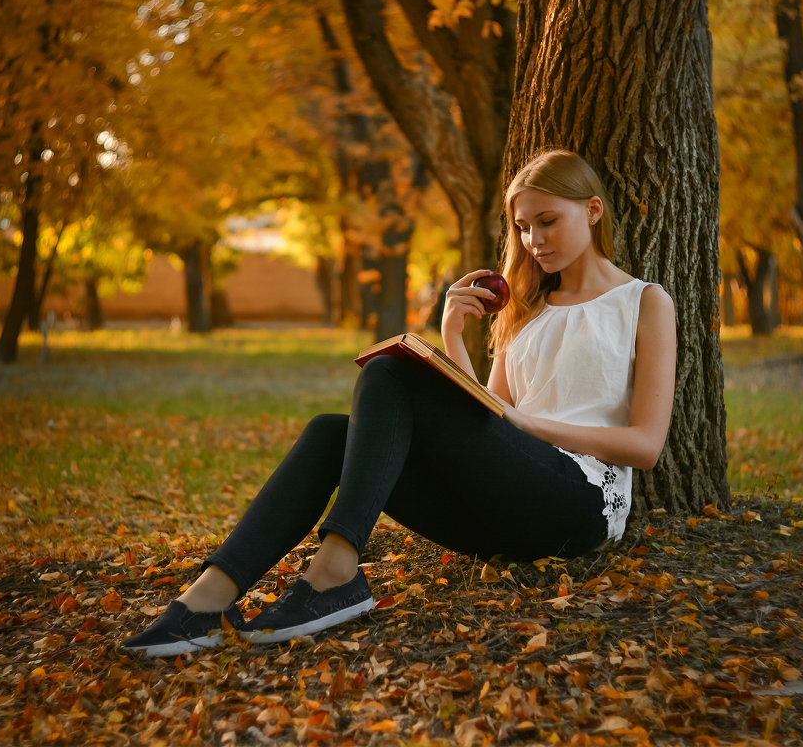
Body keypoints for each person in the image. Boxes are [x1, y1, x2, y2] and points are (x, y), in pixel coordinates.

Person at [122, 149, 677, 657]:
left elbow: (646, 446)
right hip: (500, 511)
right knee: (327, 432)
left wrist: (531, 424)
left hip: (577, 507)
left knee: (391, 371)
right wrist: (453, 335)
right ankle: (208, 598)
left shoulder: (643, 302)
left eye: (548, 221)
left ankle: (336, 572)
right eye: (523, 227)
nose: (534, 241)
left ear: (594, 210)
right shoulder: (526, 312)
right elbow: (486, 422)